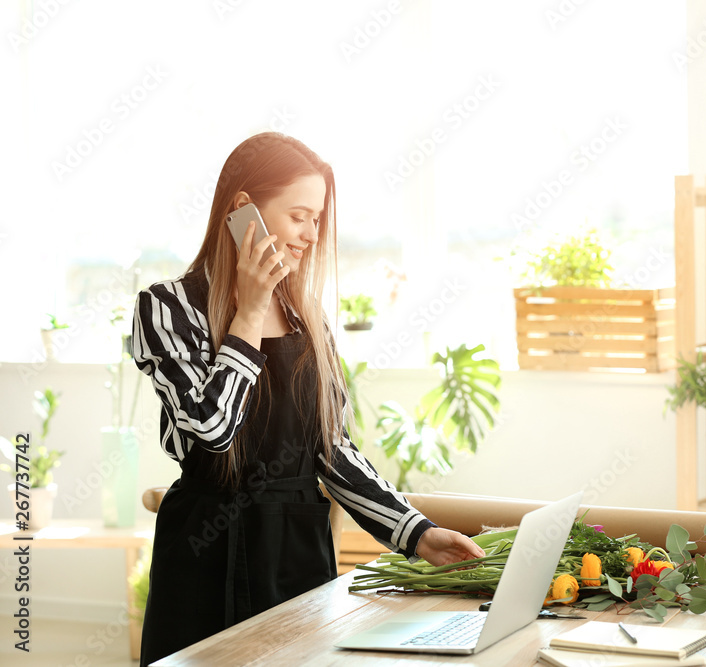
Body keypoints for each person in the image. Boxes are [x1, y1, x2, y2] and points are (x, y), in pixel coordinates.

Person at [132, 132, 484, 666]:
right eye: (299, 216)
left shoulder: (307, 317)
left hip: (297, 551)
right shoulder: (166, 307)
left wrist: (417, 534)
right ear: (242, 209)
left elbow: (333, 450)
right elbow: (210, 430)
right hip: (204, 554)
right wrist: (248, 315)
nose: (310, 235)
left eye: (317, 220)